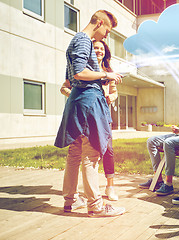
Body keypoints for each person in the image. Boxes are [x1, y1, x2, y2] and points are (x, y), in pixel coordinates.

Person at [54, 10, 125, 217]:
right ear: (100, 23)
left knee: (74, 154)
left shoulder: (77, 40)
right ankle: (96, 205)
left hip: (77, 100)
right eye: (107, 30)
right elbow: (79, 73)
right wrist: (107, 74)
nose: (106, 35)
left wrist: (102, 78)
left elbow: (74, 76)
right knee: (91, 154)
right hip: (88, 102)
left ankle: (71, 201)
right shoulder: (84, 39)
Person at [60, 39, 119, 201]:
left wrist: (109, 97)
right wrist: (77, 96)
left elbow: (114, 92)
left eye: (102, 48)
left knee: (105, 150)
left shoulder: (108, 70)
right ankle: (93, 202)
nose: (99, 51)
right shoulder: (83, 68)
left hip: (102, 112)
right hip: (83, 110)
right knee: (87, 153)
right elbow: (66, 86)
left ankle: (108, 187)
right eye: (96, 48)